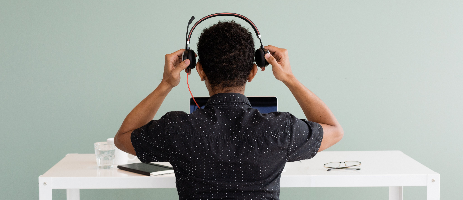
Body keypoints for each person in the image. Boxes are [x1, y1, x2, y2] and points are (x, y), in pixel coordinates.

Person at [114, 21, 343, 200]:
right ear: (253, 72)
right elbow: (334, 130)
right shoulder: (280, 129)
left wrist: (166, 83)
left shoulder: (178, 129)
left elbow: (123, 138)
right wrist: (289, 78)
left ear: (199, 70)